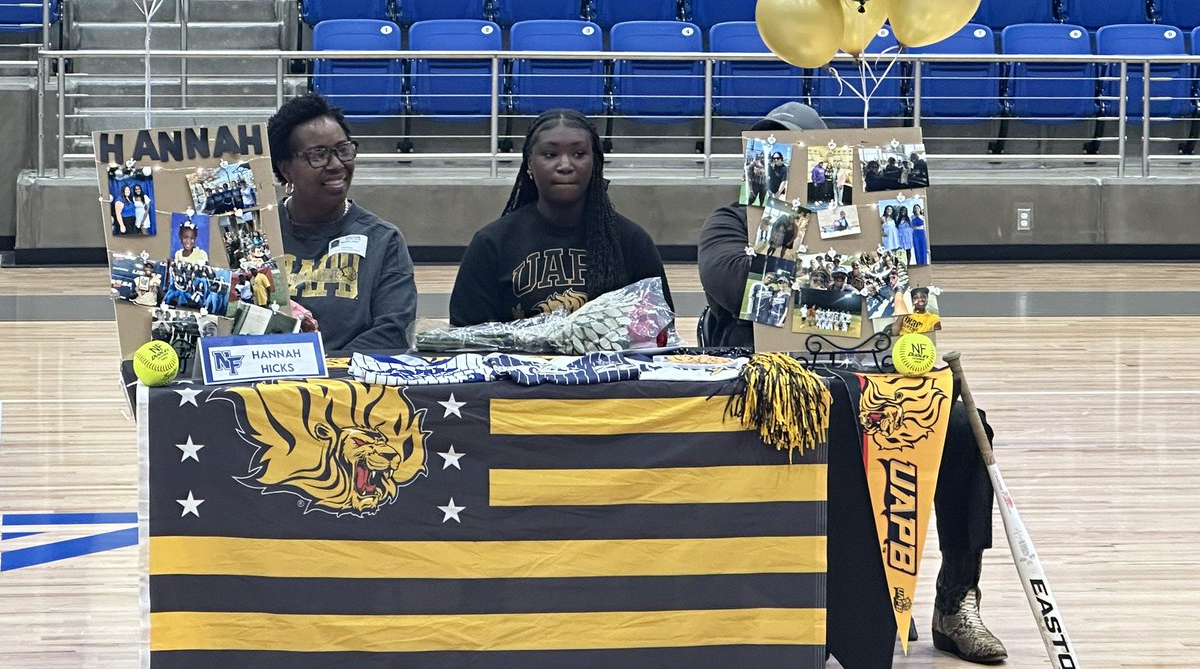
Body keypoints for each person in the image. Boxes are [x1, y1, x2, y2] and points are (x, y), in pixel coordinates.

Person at [697, 101, 1006, 664]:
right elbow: (731, 283)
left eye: (793, 152)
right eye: (768, 154)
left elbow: (906, 299)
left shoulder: (875, 214)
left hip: (869, 377)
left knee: (961, 427)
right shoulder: (729, 220)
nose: (780, 163)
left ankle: (955, 599)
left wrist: (896, 285)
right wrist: (844, 270)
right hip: (774, 386)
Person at [450, 108, 673, 326]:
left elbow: (660, 332)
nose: (565, 165)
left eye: (578, 154)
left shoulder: (631, 242)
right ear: (530, 163)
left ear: (594, 162)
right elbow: (464, 337)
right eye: (550, 154)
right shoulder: (492, 243)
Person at [268, 92, 417, 355]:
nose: (337, 164)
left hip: (351, 389)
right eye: (318, 154)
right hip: (264, 385)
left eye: (343, 150)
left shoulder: (383, 240)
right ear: (286, 168)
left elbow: (393, 332)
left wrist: (319, 367)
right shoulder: (259, 235)